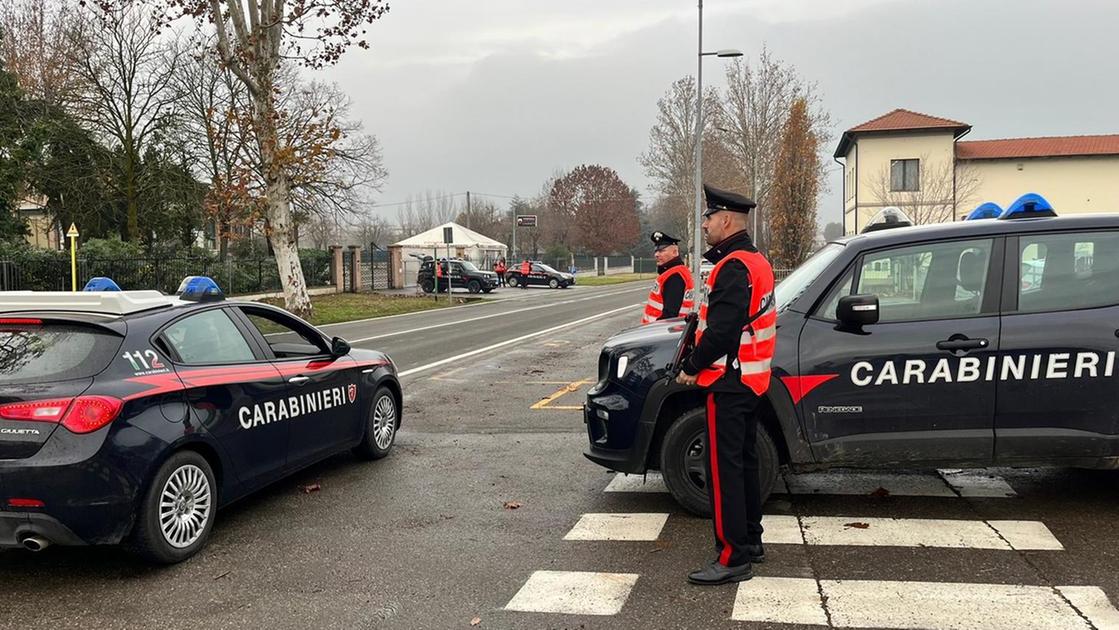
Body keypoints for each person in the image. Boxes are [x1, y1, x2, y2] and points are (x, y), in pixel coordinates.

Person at [675, 184, 776, 586]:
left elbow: (721, 331)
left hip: (729, 380)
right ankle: (750, 541)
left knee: (724, 470)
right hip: (750, 379)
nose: (704, 224)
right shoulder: (756, 261)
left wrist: (691, 367)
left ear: (727, 220)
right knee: (744, 462)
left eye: (708, 217)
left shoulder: (733, 265)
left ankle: (733, 557)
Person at [641, 231, 695, 325]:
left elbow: (670, 315)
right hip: (670, 331)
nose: (656, 254)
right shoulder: (676, 272)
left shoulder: (674, 276)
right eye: (656, 251)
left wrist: (653, 331)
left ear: (674, 252)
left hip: (661, 333)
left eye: (661, 251)